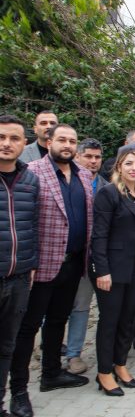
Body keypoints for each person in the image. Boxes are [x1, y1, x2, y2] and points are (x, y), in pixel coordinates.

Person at [11, 124, 93, 417]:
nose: (67, 145)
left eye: (72, 140)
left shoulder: (84, 175)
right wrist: (29, 260)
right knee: (29, 327)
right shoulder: (32, 172)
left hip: (74, 262)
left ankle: (51, 374)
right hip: (42, 265)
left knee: (58, 319)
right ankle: (19, 390)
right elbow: (24, 219)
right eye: (62, 140)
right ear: (49, 142)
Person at [89, 149, 135, 396]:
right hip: (113, 267)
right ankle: (104, 372)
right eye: (128, 164)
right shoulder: (108, 194)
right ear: (119, 167)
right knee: (110, 320)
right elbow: (99, 235)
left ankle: (120, 363)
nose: (133, 168)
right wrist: (102, 270)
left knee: (127, 319)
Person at [0, 115, 39, 417]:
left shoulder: (29, 180)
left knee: (8, 344)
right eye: (1, 137)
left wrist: (32, 263)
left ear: (24, 143)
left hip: (19, 276)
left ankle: (12, 397)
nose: (6, 144)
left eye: (14, 138)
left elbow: (33, 225)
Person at [63, 139, 109, 375]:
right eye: (88, 156)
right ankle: (55, 351)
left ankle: (76, 354)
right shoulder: (66, 183)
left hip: (96, 257)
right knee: (60, 307)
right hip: (68, 256)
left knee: (84, 307)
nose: (93, 161)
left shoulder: (107, 187)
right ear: (77, 157)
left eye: (97, 157)